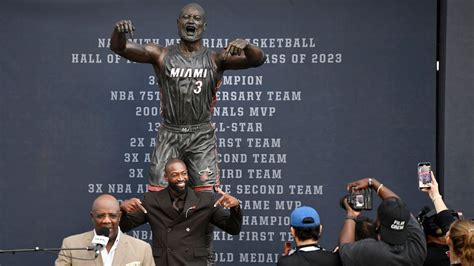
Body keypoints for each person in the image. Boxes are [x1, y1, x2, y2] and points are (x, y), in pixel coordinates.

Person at [110, 3, 266, 192]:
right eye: (186, 17)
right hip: (170, 133)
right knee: (158, 196)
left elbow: (257, 60)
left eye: (197, 18)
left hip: (200, 135)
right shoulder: (161, 54)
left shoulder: (216, 59)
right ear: (178, 23)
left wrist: (247, 45)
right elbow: (121, 48)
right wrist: (118, 32)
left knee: (206, 199)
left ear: (204, 26)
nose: (191, 21)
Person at [119, 159, 242, 266]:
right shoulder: (152, 201)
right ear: (166, 177)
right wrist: (122, 210)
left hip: (194, 263)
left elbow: (233, 228)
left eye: (184, 173)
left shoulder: (205, 200)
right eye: (175, 174)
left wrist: (235, 207)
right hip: (164, 263)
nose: (181, 178)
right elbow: (124, 226)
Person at [338, 177, 427, 266]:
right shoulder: (417, 248)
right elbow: (401, 208)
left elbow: (344, 249)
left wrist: (351, 214)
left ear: (378, 223)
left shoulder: (370, 251)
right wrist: (373, 183)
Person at [55, 194, 155, 266]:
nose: (106, 221)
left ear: (119, 217)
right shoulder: (71, 245)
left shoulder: (142, 249)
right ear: (92, 217)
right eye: (100, 216)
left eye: (112, 216)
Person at [277, 206, 342, 266]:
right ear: (320, 229)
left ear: (292, 231)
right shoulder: (335, 259)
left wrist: (287, 258)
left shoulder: (285, 262)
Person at [419, 171, 458, 266]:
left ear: (448, 238)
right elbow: (452, 229)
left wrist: (436, 195)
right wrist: (436, 196)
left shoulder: (424, 258)